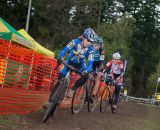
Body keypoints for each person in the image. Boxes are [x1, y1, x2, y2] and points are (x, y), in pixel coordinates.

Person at [49, 27, 97, 101]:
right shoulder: (74, 42)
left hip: (80, 65)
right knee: (60, 79)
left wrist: (86, 70)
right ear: (84, 38)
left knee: (86, 76)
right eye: (88, 40)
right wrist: (61, 57)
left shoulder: (91, 50)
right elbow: (64, 50)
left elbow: (90, 64)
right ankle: (50, 101)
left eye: (91, 42)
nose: (89, 43)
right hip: (69, 62)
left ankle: (72, 90)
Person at [88, 36, 105, 101]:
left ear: (100, 45)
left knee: (97, 78)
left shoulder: (101, 49)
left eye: (98, 45)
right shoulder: (90, 47)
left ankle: (93, 95)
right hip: (93, 63)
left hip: (99, 64)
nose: (96, 47)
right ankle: (87, 93)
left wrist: (98, 70)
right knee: (90, 77)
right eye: (95, 44)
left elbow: (102, 61)